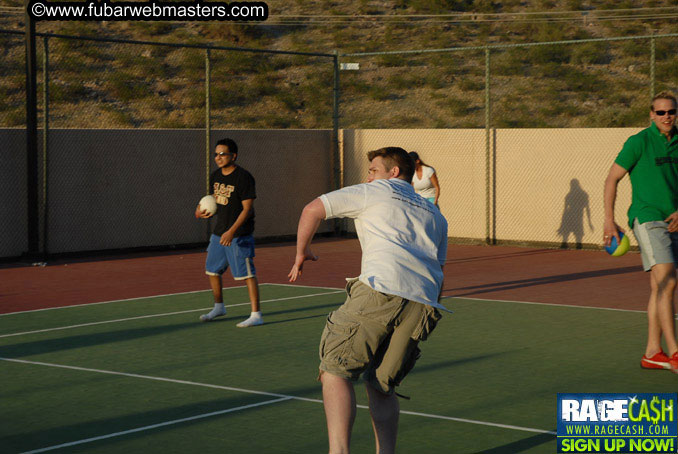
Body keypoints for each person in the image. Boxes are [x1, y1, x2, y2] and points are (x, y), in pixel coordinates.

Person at [288, 147, 448, 454]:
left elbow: (312, 209)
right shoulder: (434, 213)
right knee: (381, 386)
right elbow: (439, 268)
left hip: (380, 290)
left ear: (393, 172)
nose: (369, 176)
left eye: (373, 170)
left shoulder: (376, 191)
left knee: (334, 370)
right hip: (423, 303)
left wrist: (301, 251)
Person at [603, 91, 678, 373]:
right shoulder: (639, 142)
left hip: (674, 220)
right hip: (647, 219)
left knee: (659, 286)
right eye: (661, 113)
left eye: (671, 111)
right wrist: (609, 221)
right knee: (668, 281)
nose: (667, 117)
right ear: (651, 115)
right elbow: (612, 178)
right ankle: (675, 352)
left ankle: (652, 352)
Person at [195, 138, 263, 328]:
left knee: (247, 273)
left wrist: (232, 231)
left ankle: (256, 314)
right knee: (212, 270)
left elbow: (247, 209)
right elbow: (212, 201)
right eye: (216, 154)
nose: (218, 157)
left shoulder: (244, 177)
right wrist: (200, 210)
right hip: (219, 233)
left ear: (234, 156)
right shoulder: (215, 176)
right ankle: (219, 307)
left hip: (239, 234)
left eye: (223, 154)